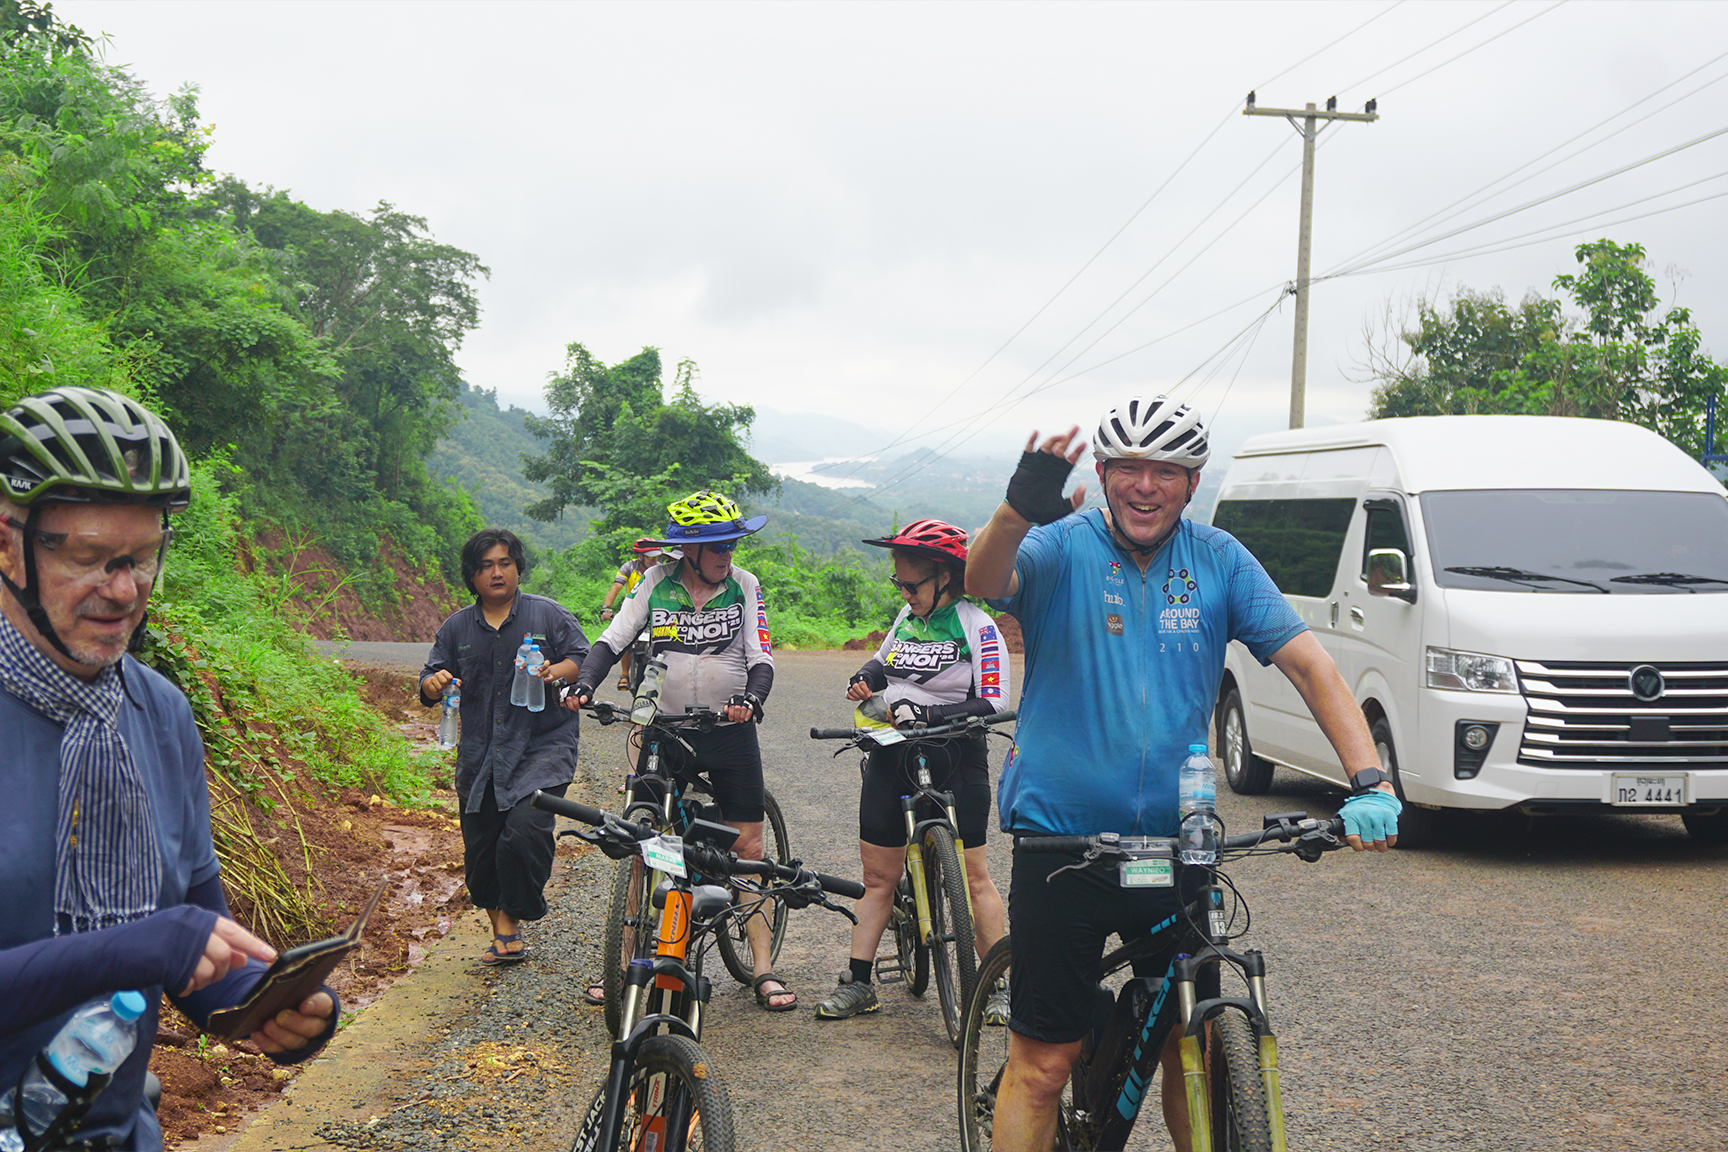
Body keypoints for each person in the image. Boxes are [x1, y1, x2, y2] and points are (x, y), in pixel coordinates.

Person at [0, 387, 337, 1150]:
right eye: (88, 558)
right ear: (4, 543)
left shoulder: (160, 714)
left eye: (144, 558)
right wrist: (124, 950)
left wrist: (276, 1006)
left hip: (111, 1133)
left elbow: (194, 953)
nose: (124, 590)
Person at [962, 396, 1403, 1152]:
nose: (1145, 485)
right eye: (1128, 468)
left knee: (1188, 1045)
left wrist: (1370, 778)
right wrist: (1013, 513)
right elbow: (983, 578)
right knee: (1042, 1063)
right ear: (1100, 474)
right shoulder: (1060, 547)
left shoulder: (1219, 560)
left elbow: (1309, 664)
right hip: (1061, 845)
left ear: (1192, 482)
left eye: (1165, 471)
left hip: (1180, 843)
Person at [563, 491, 793, 1009]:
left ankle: (762, 969)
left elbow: (763, 657)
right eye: (716, 546)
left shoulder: (744, 585)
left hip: (729, 733)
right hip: (663, 731)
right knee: (646, 843)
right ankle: (626, 965)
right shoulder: (654, 583)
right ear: (688, 551)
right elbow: (612, 640)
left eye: (731, 544)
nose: (726, 554)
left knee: (748, 850)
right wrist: (585, 685)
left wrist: (750, 698)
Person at [813, 519, 1012, 1021]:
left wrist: (932, 714)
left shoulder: (977, 625)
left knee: (974, 876)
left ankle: (1000, 987)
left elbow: (994, 701)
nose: (903, 592)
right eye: (898, 583)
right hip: (892, 751)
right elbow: (882, 664)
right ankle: (859, 982)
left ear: (946, 576)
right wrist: (863, 678)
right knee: (879, 877)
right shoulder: (906, 618)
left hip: (955, 755)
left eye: (912, 584)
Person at [418, 528, 589, 964]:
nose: (497, 573)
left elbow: (583, 659)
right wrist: (434, 683)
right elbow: (430, 679)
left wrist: (557, 671)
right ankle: (503, 930)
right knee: (482, 848)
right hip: (480, 753)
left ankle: (518, 912)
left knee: (525, 832)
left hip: (543, 746)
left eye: (505, 563)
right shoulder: (456, 628)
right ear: (472, 576)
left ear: (517, 568)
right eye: (486, 566)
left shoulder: (548, 616)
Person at [599, 537, 681, 691]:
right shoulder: (629, 567)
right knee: (626, 637)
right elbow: (615, 588)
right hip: (634, 610)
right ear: (640, 557)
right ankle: (624, 674)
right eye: (650, 557)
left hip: (656, 610)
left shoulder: (661, 569)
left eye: (657, 557)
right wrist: (606, 608)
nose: (654, 560)